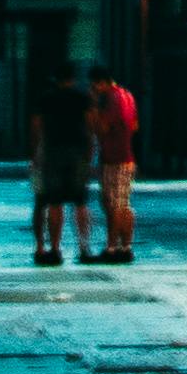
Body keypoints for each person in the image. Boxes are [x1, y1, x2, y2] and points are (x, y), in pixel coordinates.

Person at [29, 66, 93, 266]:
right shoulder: (83, 98)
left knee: (54, 201)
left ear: (56, 80)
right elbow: (91, 124)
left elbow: (36, 126)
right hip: (78, 152)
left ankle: (55, 249)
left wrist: (35, 154)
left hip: (53, 152)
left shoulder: (46, 98)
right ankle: (83, 246)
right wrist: (90, 152)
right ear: (73, 79)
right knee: (80, 201)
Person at [85, 61, 140, 262]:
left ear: (100, 83)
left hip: (113, 158)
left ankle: (111, 247)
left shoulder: (109, 99)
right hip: (127, 156)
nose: (93, 90)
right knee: (124, 203)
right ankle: (126, 245)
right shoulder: (128, 96)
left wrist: (93, 109)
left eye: (93, 86)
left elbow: (102, 128)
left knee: (112, 204)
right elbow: (134, 125)